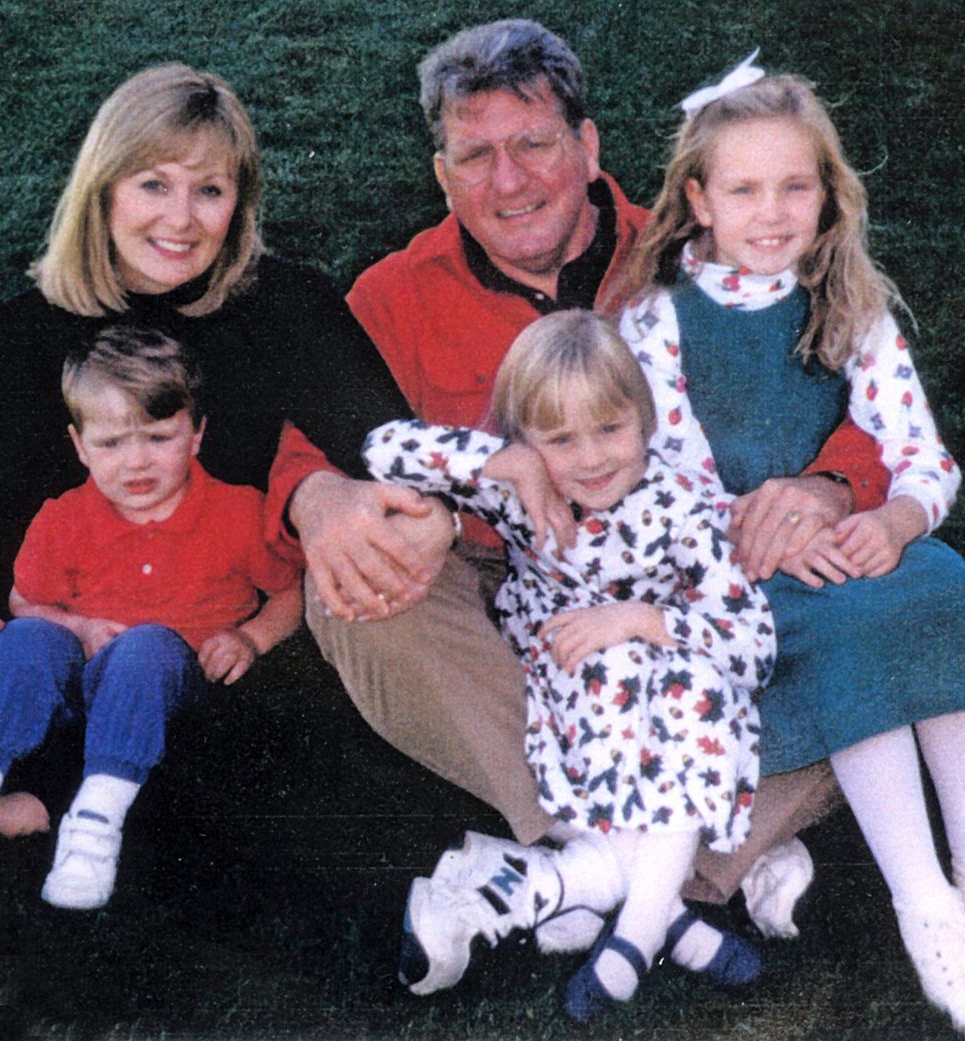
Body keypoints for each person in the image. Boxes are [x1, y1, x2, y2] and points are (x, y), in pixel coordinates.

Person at [269, 19, 890, 993]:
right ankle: (696, 858)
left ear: (589, 148)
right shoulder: (392, 297)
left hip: (678, 572)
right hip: (491, 579)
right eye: (476, 156)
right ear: (442, 174)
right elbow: (305, 443)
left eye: (533, 144)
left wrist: (828, 484)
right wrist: (318, 497)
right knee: (353, 591)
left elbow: (863, 397)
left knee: (892, 627)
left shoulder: (697, 261)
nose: (507, 181)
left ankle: (557, 876)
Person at [617, 53, 965, 1041]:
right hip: (733, 577)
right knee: (856, 625)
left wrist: (894, 519)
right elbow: (652, 483)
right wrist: (754, 527)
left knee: (938, 577)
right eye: (745, 189)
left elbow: (920, 454)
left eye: (794, 187)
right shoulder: (656, 324)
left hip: (851, 544)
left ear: (826, 195)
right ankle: (924, 906)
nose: (772, 213)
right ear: (698, 200)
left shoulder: (852, 308)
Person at [0, 64, 418, 802]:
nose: (181, 219)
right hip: (54, 630)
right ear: (103, 188)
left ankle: (62, 795)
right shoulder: (18, 337)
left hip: (218, 648)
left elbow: (380, 437)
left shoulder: (286, 306)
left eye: (208, 190)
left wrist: (320, 494)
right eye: (153, 184)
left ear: (238, 205)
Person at [364, 309, 776, 1018]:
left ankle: (636, 936)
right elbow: (382, 448)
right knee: (616, 674)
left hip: (669, 693)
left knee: (697, 688)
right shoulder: (522, 487)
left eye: (611, 429)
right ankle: (669, 919)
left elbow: (753, 642)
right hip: (569, 687)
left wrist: (644, 620)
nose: (590, 458)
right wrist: (500, 462)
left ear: (644, 419)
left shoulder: (679, 505)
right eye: (559, 439)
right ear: (526, 440)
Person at [0, 327, 303, 909]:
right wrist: (82, 629)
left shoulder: (238, 512)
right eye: (112, 443)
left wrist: (250, 636)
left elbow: (291, 591)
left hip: (172, 686)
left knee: (146, 647)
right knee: (23, 638)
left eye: (159, 437)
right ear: (80, 445)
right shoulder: (65, 518)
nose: (137, 461)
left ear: (197, 434)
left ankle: (94, 826)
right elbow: (25, 599)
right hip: (79, 680)